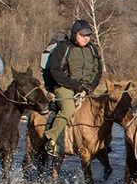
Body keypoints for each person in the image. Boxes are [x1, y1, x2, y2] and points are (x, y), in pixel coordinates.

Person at [42, 19, 102, 156]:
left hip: (86, 88)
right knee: (68, 109)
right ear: (75, 34)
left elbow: (98, 71)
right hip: (64, 86)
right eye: (83, 35)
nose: (86, 38)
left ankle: (101, 144)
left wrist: (91, 86)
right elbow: (55, 70)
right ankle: (51, 138)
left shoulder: (92, 49)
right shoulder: (63, 48)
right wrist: (75, 85)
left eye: (88, 35)